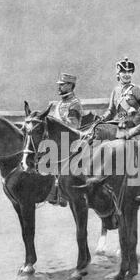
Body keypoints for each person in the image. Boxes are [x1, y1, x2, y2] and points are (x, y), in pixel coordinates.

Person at [47, 73, 83, 206]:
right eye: (59, 85)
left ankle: (61, 194)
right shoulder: (59, 103)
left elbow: (73, 125)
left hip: (71, 140)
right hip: (58, 140)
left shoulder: (75, 103)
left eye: (62, 85)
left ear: (70, 85)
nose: (59, 87)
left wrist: (55, 122)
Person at [101, 57, 140, 128]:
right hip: (120, 125)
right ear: (118, 74)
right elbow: (111, 111)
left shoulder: (137, 89)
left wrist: (134, 122)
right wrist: (102, 118)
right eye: (124, 72)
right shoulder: (115, 90)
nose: (127, 75)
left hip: (134, 128)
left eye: (129, 72)